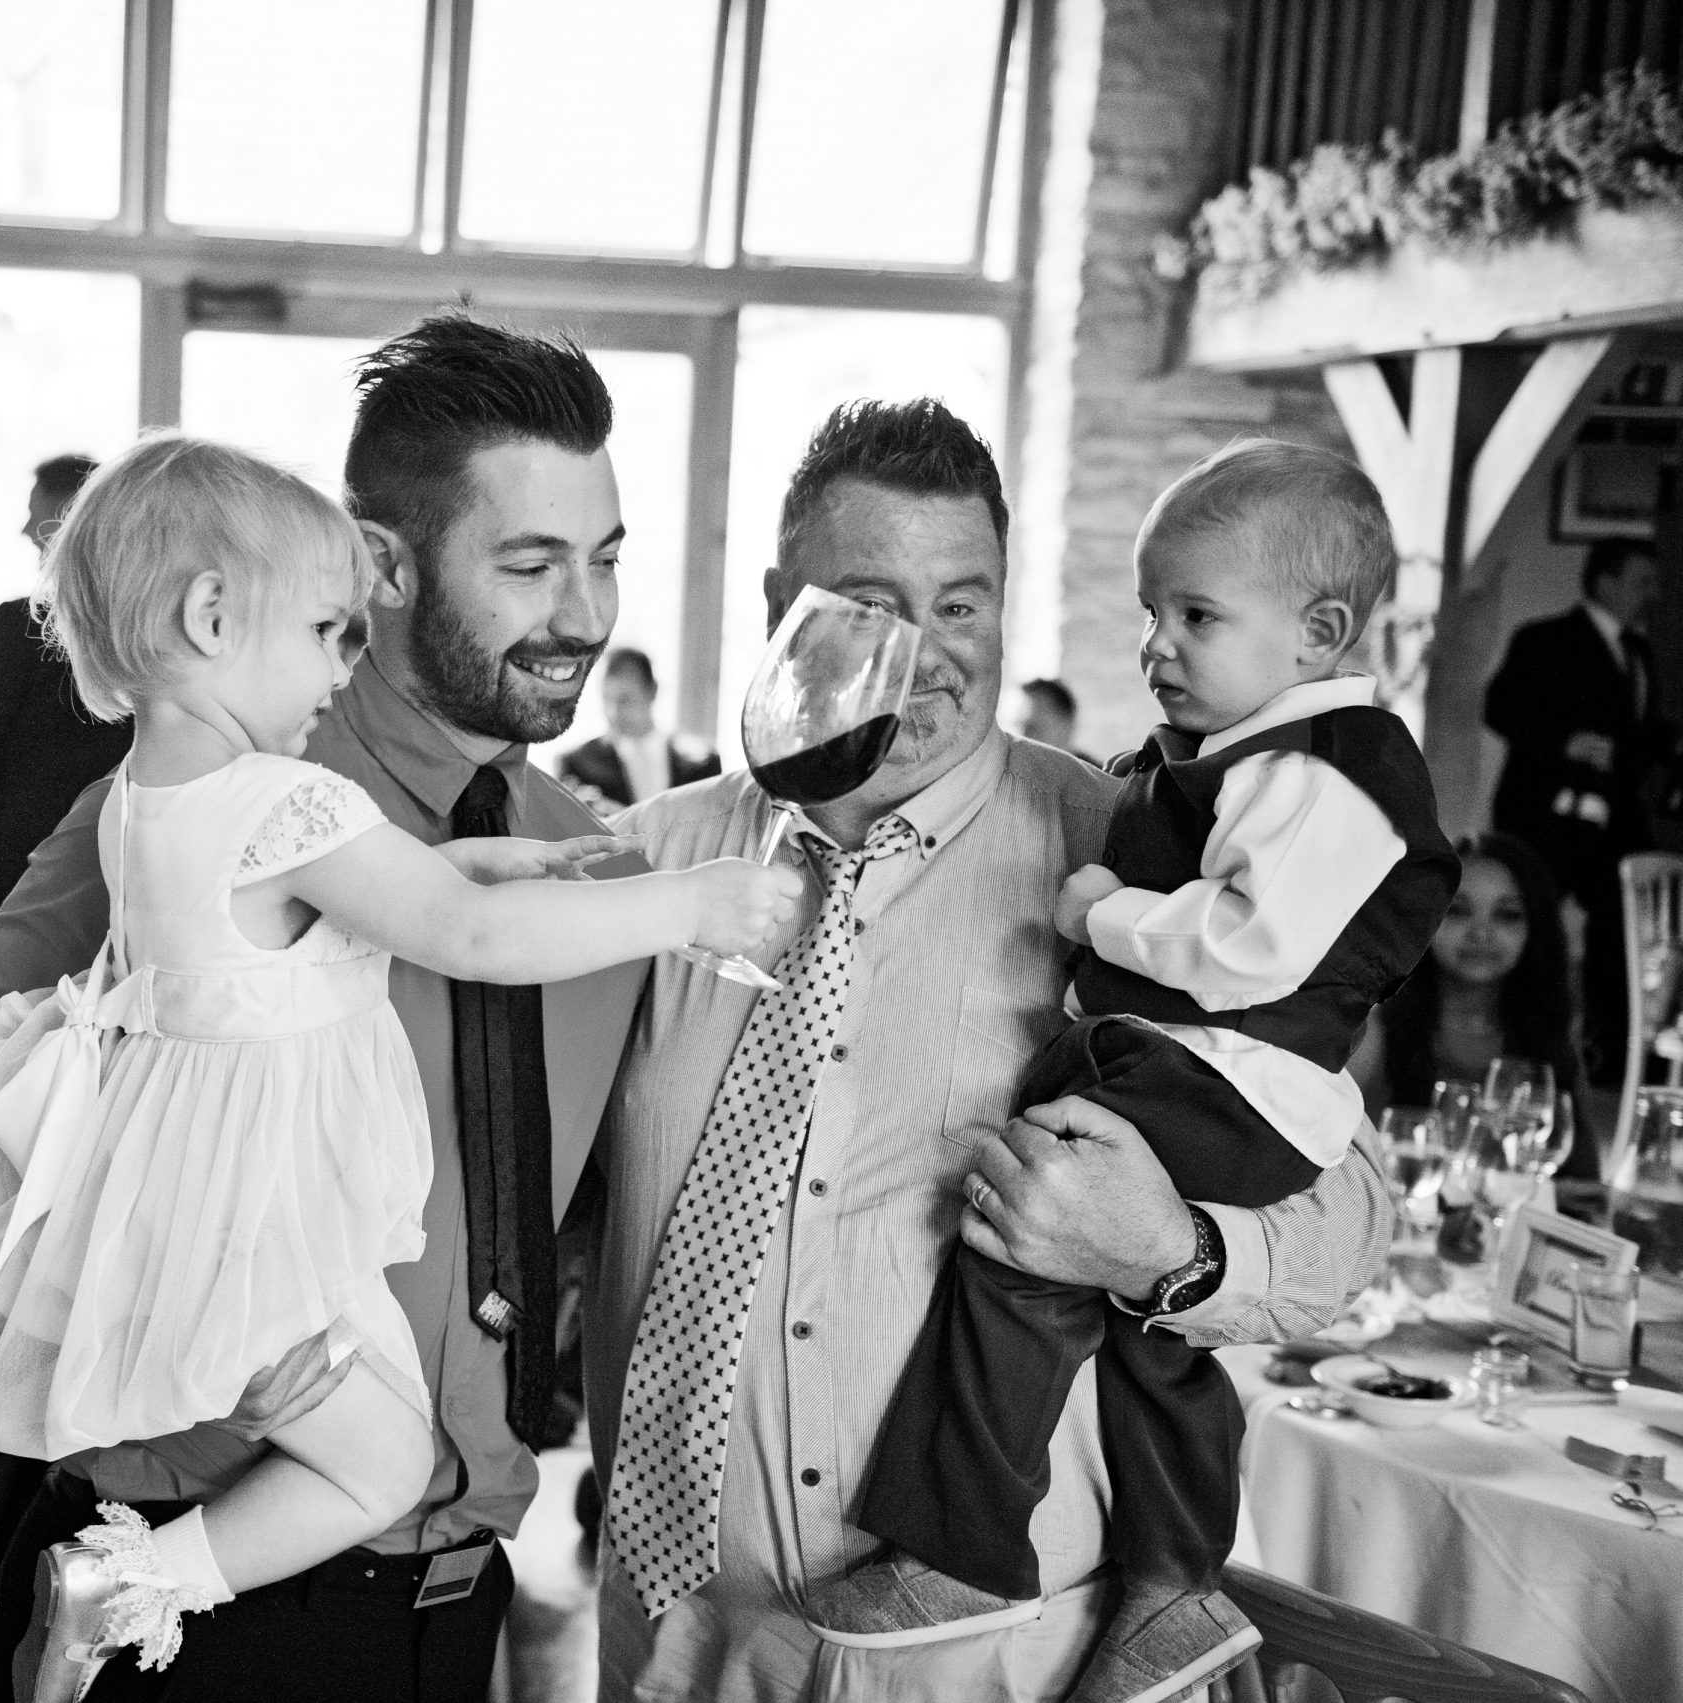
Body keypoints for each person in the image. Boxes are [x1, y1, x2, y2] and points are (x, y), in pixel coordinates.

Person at [0, 435, 791, 1699]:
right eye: (531, 561)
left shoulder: (155, 798)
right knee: (367, 1457)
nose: (586, 611)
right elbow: (467, 939)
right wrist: (696, 904)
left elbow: (363, 907)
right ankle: (124, 1579)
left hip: (446, 1591)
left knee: (17, 1285)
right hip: (230, 1531)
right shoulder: (296, 798)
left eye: (605, 560)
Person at [589, 401, 1392, 1703]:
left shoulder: (1128, 852)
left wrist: (1176, 1250)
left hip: (977, 1657)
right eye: (870, 600)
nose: (921, 654)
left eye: (961, 606)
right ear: (777, 600)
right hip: (671, 1630)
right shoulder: (653, 859)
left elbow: (1349, 1207)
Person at [819, 440, 1457, 1699]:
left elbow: (1257, 958)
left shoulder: (1314, 770)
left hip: (1234, 1072)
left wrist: (1102, 915)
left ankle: (962, 1543)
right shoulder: (1208, 760)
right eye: (1149, 614)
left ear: (1318, 628)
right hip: (1194, 1058)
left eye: (958, 603)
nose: (1157, 645)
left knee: (1020, 1232)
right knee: (1149, 1336)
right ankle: (1174, 1586)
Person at [0, 454, 138, 920]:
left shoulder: (25, 624)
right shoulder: (147, 633)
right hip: (110, 877)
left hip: (11, 873)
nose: (26, 529)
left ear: (73, 521)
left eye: (37, 512)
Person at [1485, 538, 1671, 1082]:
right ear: (1604, 581)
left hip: (1615, 822)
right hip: (1545, 816)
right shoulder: (1546, 638)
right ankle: (1517, 1053)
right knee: (1533, 931)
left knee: (1623, 938)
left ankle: (1611, 1063)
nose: (1652, 595)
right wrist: (1565, 743)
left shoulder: (1637, 653)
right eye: (1642, 582)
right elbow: (1502, 708)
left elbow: (1633, 737)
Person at [1350, 830, 1596, 1178]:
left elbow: (1581, 1177)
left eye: (1507, 915)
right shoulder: (1375, 1027)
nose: (1481, 933)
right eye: (1458, 912)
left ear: (1536, 927)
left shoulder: (1553, 1033)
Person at [557, 648, 719, 816]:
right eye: (606, 698)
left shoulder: (705, 763)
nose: (613, 712)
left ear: (652, 691)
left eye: (625, 700)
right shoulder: (577, 764)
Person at [1013, 677, 1084, 758]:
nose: (1022, 737)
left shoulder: (1092, 770)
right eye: (1020, 726)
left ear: (1065, 725)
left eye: (1033, 728)